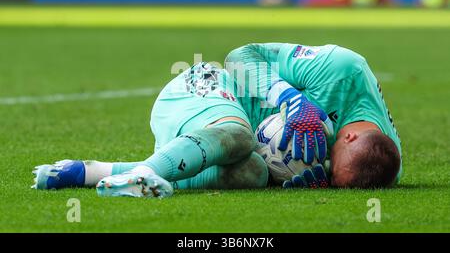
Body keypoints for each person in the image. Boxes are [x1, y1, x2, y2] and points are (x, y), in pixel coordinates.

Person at [32, 62, 331, 197]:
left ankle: (84, 173)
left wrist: (317, 173)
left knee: (253, 173)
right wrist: (288, 97)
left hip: (204, 136)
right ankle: (147, 171)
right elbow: (242, 56)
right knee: (240, 135)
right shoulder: (334, 75)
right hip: (206, 86)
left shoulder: (346, 142)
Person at [225, 43, 402, 189]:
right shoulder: (341, 68)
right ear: (350, 137)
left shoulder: (387, 168)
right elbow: (238, 57)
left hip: (246, 142)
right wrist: (290, 98)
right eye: (331, 168)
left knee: (249, 174)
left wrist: (293, 171)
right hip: (217, 96)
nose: (327, 165)